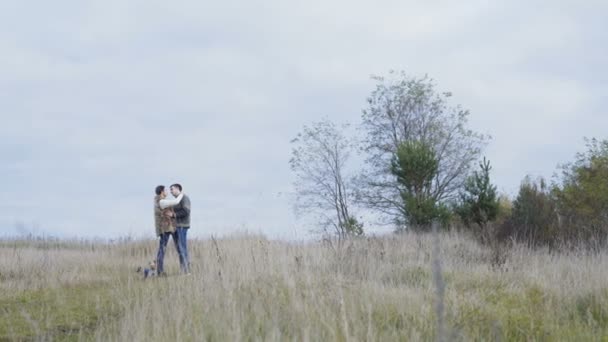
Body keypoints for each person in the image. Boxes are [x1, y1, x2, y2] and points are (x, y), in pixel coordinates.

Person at [153, 185, 182, 276]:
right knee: (162, 249)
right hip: (165, 229)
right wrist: (181, 194)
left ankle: (184, 268)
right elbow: (176, 201)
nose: (167, 192)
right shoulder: (161, 201)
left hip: (170, 227)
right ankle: (160, 271)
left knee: (174, 248)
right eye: (165, 190)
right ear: (162, 192)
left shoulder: (161, 201)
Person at [169, 183, 191, 274]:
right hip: (175, 228)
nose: (170, 191)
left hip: (182, 226)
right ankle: (183, 270)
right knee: (179, 249)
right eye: (170, 190)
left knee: (182, 248)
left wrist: (174, 214)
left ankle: (186, 271)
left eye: (172, 189)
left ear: (178, 189)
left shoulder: (184, 198)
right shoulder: (176, 201)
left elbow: (186, 211)